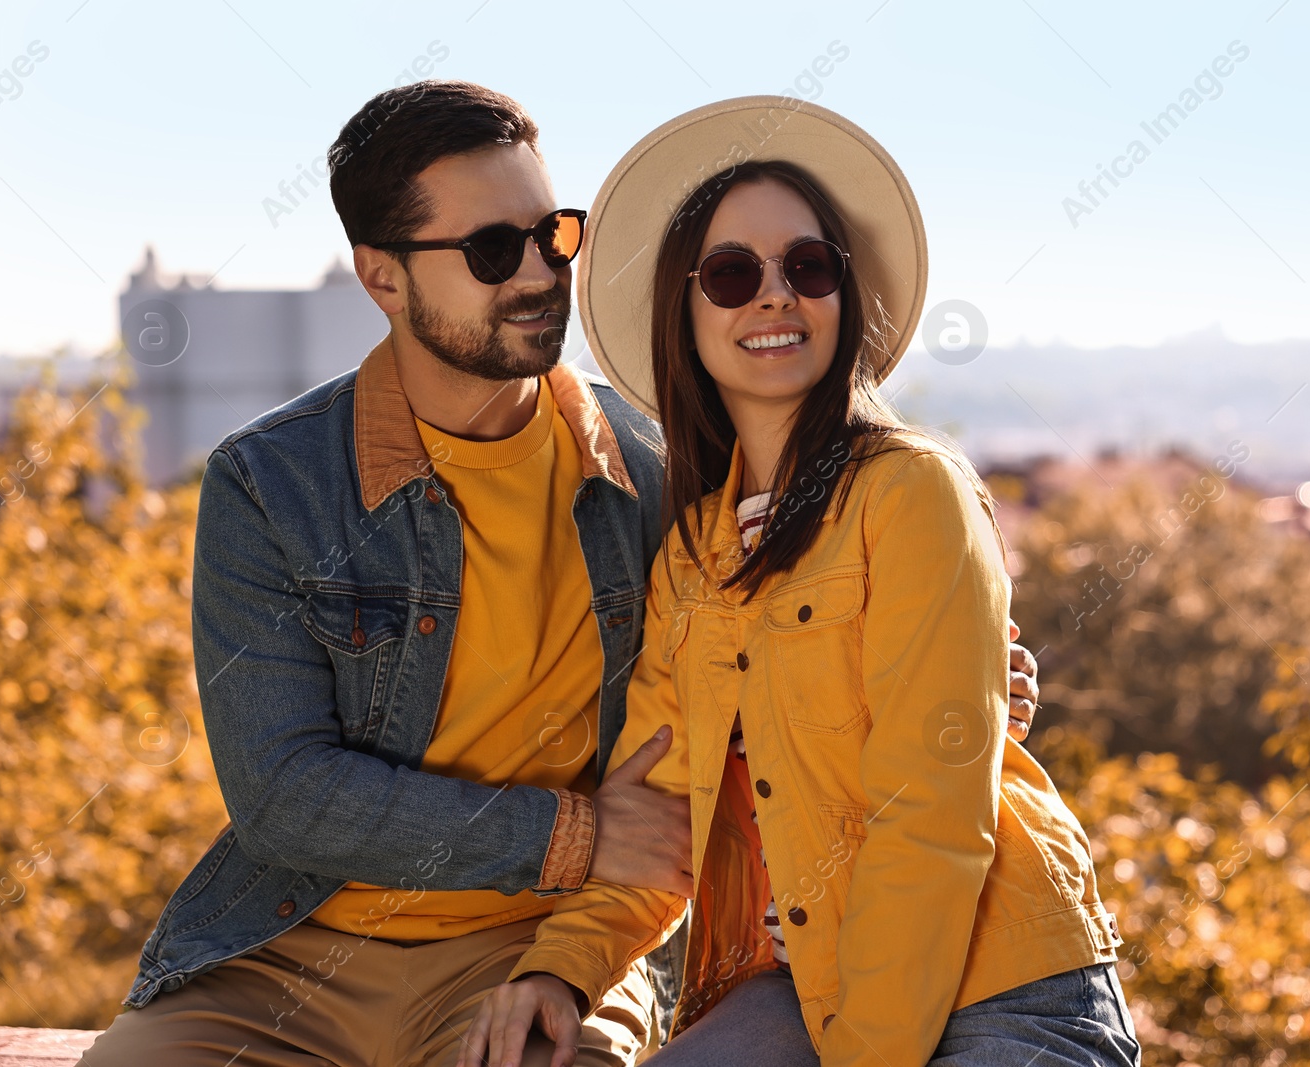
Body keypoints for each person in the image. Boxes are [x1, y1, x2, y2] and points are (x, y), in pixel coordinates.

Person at [77, 82, 1042, 1067]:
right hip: (283, 953)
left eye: (555, 234)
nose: (542, 272)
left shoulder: (657, 476)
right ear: (383, 277)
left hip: (536, 944)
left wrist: (954, 689)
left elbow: (785, 653)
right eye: (495, 250)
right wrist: (576, 835)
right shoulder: (273, 482)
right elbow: (283, 794)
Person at [465, 98, 1142, 1067]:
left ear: (843, 295)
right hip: (802, 991)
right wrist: (558, 971)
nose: (774, 296)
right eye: (734, 273)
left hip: (1001, 989)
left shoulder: (912, 490)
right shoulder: (694, 550)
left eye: (808, 268)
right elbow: (657, 814)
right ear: (685, 308)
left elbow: (929, 817)